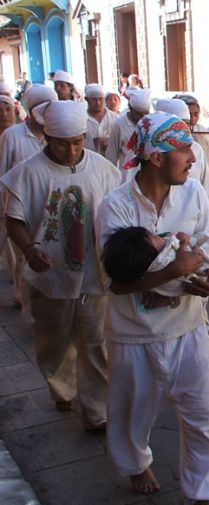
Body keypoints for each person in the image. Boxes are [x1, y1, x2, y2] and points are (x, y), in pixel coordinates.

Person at [96, 112, 209, 505]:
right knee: (131, 413)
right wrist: (174, 272)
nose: (192, 157)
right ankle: (136, 463)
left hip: (188, 329)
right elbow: (116, 285)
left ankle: (206, 494)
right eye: (182, 149)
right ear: (156, 157)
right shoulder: (116, 207)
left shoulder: (193, 194)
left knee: (208, 415)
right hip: (132, 334)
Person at [1, 101, 119, 429]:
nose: (71, 151)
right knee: (55, 342)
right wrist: (29, 248)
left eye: (78, 142)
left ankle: (96, 411)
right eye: (62, 144)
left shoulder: (105, 171)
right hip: (49, 275)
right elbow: (14, 220)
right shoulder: (26, 173)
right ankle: (62, 388)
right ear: (47, 140)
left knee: (96, 343)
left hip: (96, 274)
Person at [0, 85, 58, 315]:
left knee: (32, 257)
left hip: (43, 208)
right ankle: (27, 304)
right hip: (13, 207)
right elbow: (3, 171)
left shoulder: (52, 137)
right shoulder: (12, 136)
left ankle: (28, 301)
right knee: (22, 253)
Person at [102, 225, 209, 297]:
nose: (193, 160)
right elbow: (115, 287)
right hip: (136, 330)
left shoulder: (195, 190)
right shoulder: (162, 259)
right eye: (154, 237)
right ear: (156, 160)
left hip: (190, 322)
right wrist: (184, 242)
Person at [148, 98, 209, 221]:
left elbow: (208, 192)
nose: (184, 130)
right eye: (178, 126)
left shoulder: (197, 151)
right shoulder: (147, 154)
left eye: (187, 124)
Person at [105, 87, 151, 172]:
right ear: (130, 108)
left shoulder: (151, 123)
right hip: (125, 179)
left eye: (146, 113)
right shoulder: (119, 125)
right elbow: (111, 157)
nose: (143, 117)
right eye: (139, 114)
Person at [84, 84, 115, 155]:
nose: (98, 103)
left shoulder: (114, 118)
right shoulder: (82, 119)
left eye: (100, 99)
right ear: (86, 99)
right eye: (94, 100)